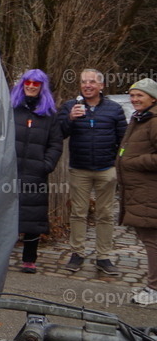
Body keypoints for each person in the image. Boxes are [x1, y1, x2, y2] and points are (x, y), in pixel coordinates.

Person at [58, 68, 127, 275]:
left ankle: (103, 257)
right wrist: (69, 118)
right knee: (78, 213)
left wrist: (118, 165)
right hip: (79, 169)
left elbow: (124, 140)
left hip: (107, 170)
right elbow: (59, 133)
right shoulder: (71, 106)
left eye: (92, 82)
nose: (87, 85)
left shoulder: (114, 109)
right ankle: (77, 253)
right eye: (83, 82)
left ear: (101, 86)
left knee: (105, 214)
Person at [10, 69, 64, 273]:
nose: (31, 86)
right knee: (8, 216)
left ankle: (29, 259)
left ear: (42, 87)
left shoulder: (49, 115)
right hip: (10, 172)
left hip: (35, 173)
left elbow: (56, 144)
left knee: (33, 216)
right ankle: (1, 256)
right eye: (28, 82)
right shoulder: (11, 109)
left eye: (36, 83)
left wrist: (46, 165)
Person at [116, 78, 157, 306]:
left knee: (152, 240)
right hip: (140, 191)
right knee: (149, 238)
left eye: (139, 95)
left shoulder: (154, 121)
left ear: (153, 98)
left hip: (150, 192)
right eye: (132, 95)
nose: (134, 99)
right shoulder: (141, 118)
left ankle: (154, 288)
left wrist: (135, 161)